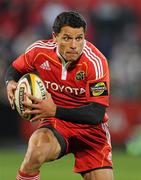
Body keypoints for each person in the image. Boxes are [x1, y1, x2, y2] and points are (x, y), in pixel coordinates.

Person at [5, 11, 114, 180]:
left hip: (91, 132)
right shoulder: (39, 51)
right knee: (35, 150)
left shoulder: (96, 62)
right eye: (67, 38)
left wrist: (54, 110)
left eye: (79, 38)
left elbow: (96, 114)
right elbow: (14, 69)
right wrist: (10, 82)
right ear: (55, 37)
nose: (74, 45)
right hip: (56, 124)